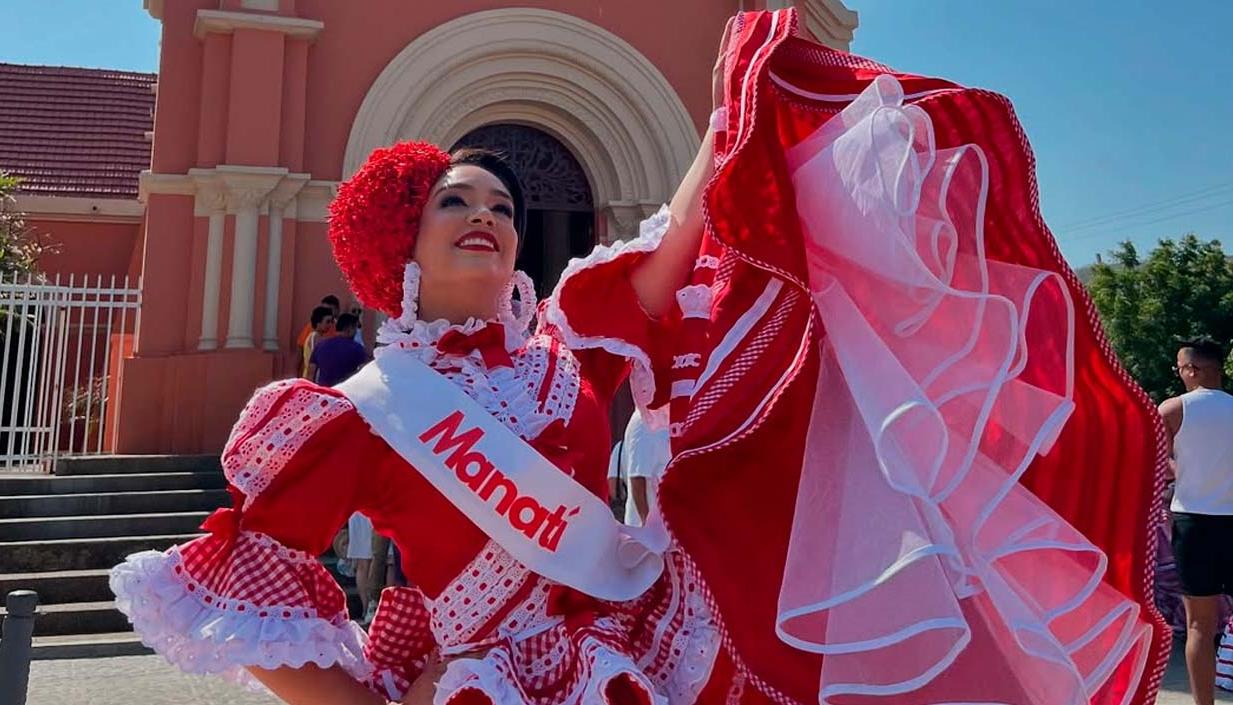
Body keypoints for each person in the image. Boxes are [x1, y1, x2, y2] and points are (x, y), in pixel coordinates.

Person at [110, 9, 1166, 705]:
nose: (486, 214)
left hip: (635, 647)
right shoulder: (361, 409)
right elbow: (247, 588)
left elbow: (672, 240)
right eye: (453, 202)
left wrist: (741, 91)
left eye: (501, 204)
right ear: (400, 246)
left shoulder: (567, 343)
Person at [1159, 338, 1233, 705]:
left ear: (1191, 370)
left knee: (1200, 626)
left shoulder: (1172, 410)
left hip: (1195, 524)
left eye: (1179, 368)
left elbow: (1158, 465)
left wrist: (1182, 468)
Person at [607, 409, 670, 526]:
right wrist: (647, 524)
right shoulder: (644, 421)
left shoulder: (664, 419)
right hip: (650, 527)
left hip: (666, 524)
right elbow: (637, 477)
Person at [308, 313, 367, 387]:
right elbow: (363, 374)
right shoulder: (358, 349)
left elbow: (310, 374)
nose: (356, 332)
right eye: (355, 328)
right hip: (345, 393)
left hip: (323, 392)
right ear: (349, 328)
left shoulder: (320, 346)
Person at [300, 306, 334, 379]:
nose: (330, 325)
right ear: (318, 322)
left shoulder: (317, 336)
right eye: (327, 322)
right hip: (313, 376)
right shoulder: (315, 336)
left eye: (331, 322)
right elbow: (318, 358)